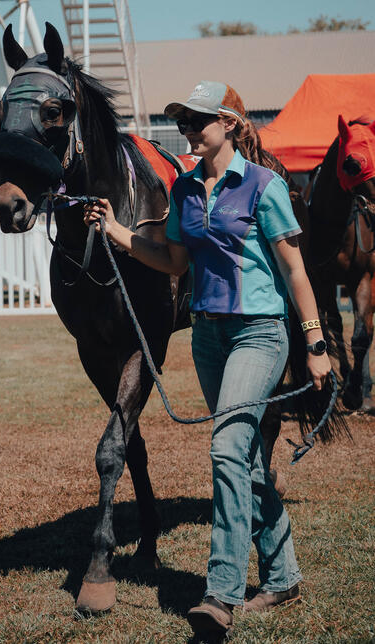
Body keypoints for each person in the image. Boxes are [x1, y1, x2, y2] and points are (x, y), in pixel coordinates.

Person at [84, 81, 332, 636]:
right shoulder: (187, 190)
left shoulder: (264, 186)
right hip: (208, 336)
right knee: (244, 461)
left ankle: (219, 592)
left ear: (230, 124)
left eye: (198, 121)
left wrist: (314, 343)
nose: (188, 132)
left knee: (225, 448)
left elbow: (295, 271)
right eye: (183, 123)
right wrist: (118, 231)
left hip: (260, 334)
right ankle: (283, 574)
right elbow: (173, 262)